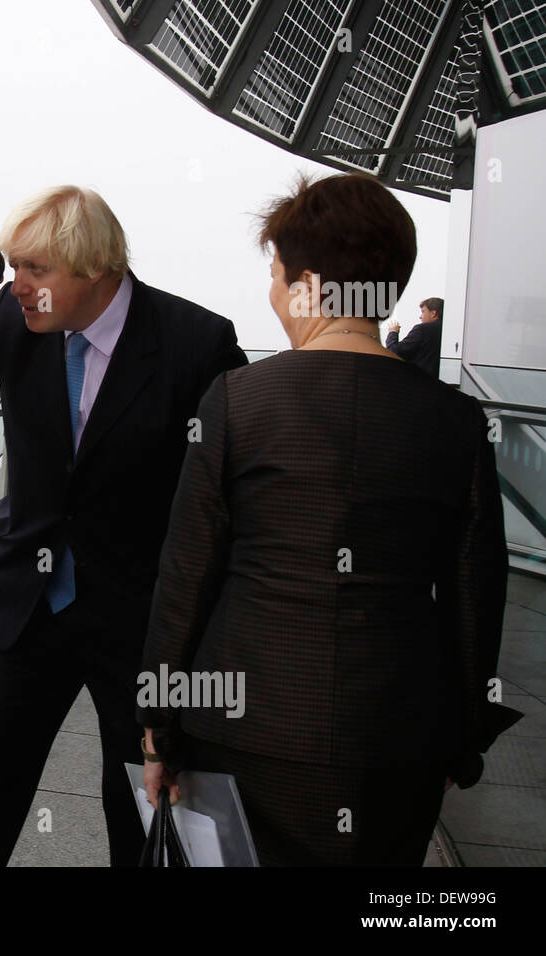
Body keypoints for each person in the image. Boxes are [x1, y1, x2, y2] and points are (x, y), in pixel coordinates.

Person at [140, 173, 512, 866]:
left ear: (305, 282)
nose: (274, 293)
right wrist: (459, 737)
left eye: (276, 274)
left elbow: (186, 577)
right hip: (397, 732)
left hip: (247, 725)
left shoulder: (239, 401)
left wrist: (159, 726)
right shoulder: (456, 421)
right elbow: (475, 595)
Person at [0, 185, 247, 866]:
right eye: (14, 267)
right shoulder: (15, 320)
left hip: (140, 615)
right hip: (31, 600)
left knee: (140, 792)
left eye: (36, 270)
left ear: (95, 268)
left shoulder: (196, 342)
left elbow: (227, 496)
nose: (19, 286)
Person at [385, 297, 443, 377]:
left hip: (419, 382)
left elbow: (394, 352)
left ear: (433, 313)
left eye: (423, 312)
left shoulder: (422, 329)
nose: (420, 316)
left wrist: (393, 332)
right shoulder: (447, 331)